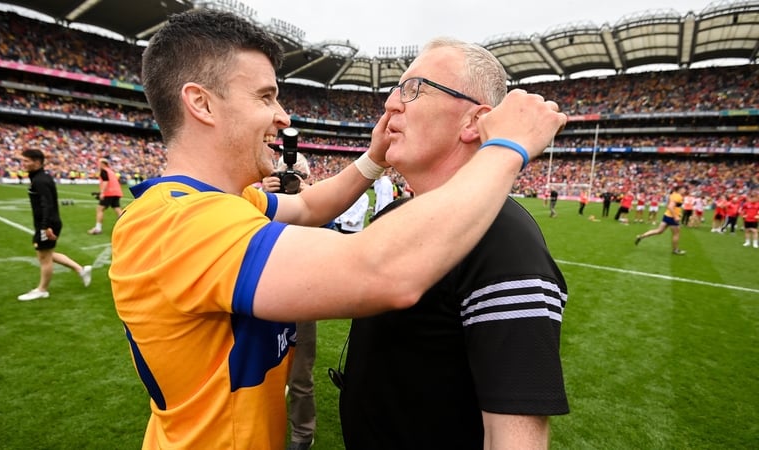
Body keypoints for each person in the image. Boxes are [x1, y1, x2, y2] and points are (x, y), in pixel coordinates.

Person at [108, 9, 565, 450]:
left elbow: (307, 205)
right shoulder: (178, 224)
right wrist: (507, 149)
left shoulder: (226, 203)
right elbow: (379, 269)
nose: (284, 116)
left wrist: (373, 159)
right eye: (266, 97)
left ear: (472, 119)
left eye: (413, 89)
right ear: (201, 103)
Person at [338, 38, 569, 450]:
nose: (391, 104)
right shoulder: (397, 215)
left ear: (472, 123)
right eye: (394, 89)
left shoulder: (504, 240)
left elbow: (514, 438)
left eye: (414, 89)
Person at [261, 154, 319, 450]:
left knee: (300, 375)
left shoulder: (315, 202)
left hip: (301, 298)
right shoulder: (261, 202)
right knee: (260, 371)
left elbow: (326, 234)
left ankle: (302, 434)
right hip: (263, 298)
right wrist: (263, 196)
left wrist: (307, 195)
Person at [18, 149, 92, 301]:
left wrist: (45, 226)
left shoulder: (40, 180)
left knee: (44, 257)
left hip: (47, 224)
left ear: (37, 162)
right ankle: (81, 270)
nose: (23, 164)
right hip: (47, 224)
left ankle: (42, 290)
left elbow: (47, 204)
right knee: (47, 254)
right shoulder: (39, 177)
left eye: (26, 161)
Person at [635, 184, 687, 255]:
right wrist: (675, 216)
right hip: (672, 217)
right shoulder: (678, 196)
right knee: (676, 234)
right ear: (680, 189)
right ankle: (675, 250)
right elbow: (670, 206)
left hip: (667, 215)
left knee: (659, 231)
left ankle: (641, 236)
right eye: (684, 188)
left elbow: (668, 205)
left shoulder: (673, 194)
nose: (685, 190)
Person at [87, 158, 123, 235]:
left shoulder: (104, 171)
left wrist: (102, 193)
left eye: (99, 164)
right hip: (116, 192)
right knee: (117, 209)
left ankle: (98, 228)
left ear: (103, 164)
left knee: (100, 209)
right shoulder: (111, 171)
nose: (98, 165)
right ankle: (126, 225)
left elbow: (105, 181)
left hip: (109, 193)